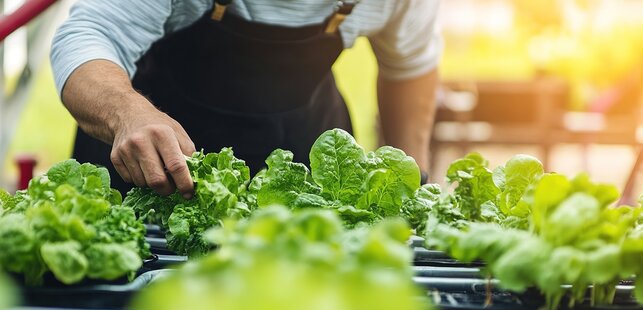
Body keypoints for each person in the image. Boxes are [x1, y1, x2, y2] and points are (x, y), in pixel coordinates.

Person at [51, 0, 441, 198]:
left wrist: (412, 182)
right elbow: (88, 35)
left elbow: (410, 64)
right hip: (155, 172)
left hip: (304, 149)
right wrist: (126, 112)